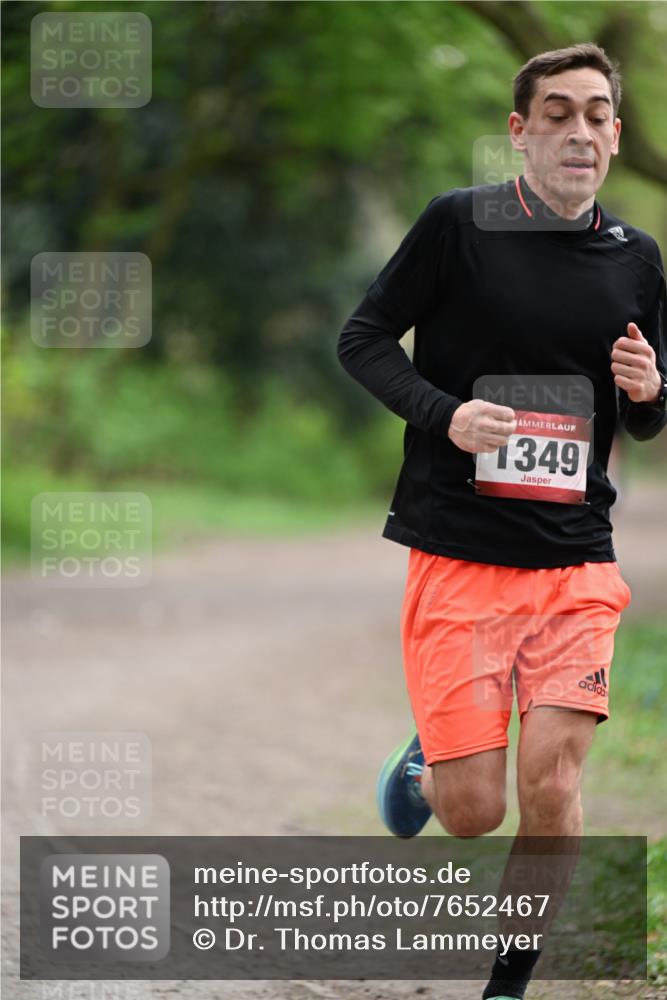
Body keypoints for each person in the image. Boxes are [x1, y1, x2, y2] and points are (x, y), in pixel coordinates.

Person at [337, 42, 666, 1000]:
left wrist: (651, 393)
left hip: (575, 562)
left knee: (553, 784)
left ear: (614, 133)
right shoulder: (459, 225)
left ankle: (506, 987)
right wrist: (446, 414)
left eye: (598, 114)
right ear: (518, 132)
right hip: (459, 551)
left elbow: (640, 416)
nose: (580, 131)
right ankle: (430, 770)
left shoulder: (636, 257)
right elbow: (361, 339)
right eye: (556, 113)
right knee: (477, 811)